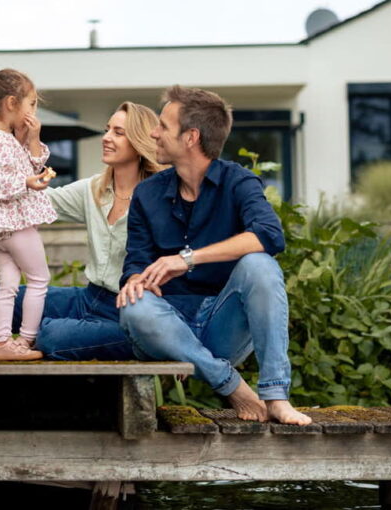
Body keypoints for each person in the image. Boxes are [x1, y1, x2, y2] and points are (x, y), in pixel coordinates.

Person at [116, 85, 312, 425]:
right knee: (133, 304)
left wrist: (187, 258)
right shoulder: (147, 194)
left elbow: (270, 234)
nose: (153, 132)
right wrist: (135, 279)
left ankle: (276, 396)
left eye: (162, 125)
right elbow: (135, 261)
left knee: (260, 265)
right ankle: (232, 385)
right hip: (166, 325)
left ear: (191, 137)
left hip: (222, 327)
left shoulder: (239, 182)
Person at [0, 101, 164, 360]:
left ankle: (136, 342)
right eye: (107, 129)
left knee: (52, 337)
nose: (106, 138)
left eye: (118, 133)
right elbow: (35, 197)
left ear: (140, 141)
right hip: (87, 299)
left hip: (127, 311)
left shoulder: (160, 199)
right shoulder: (93, 189)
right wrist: (20, 151)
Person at [0, 68, 57, 361]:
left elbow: (31, 165)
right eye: (31, 104)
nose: (33, 111)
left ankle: (1, 342)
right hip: (16, 225)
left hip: (0, 230)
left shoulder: (1, 138)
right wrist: (27, 182)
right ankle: (25, 341)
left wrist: (31, 139)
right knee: (39, 279)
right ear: (10, 104)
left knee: (8, 282)